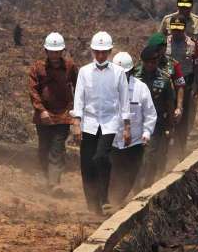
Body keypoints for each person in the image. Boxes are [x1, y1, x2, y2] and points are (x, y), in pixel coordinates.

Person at [71, 31, 131, 215]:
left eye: (104, 52)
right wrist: (76, 122)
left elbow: (124, 100)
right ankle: (92, 204)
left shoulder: (119, 73)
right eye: (97, 51)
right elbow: (79, 99)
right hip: (89, 122)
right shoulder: (84, 72)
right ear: (92, 51)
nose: (100, 55)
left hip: (109, 122)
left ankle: (104, 197)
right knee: (87, 164)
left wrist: (126, 126)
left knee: (101, 157)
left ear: (110, 51)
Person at [28, 32, 78, 195]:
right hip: (43, 115)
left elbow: (79, 87)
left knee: (57, 148)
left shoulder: (70, 66)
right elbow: (33, 90)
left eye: (58, 52)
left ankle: (54, 182)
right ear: (46, 51)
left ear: (63, 51)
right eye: (52, 52)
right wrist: (41, 111)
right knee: (44, 147)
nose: (55, 55)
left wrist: (76, 110)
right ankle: (46, 178)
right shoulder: (37, 67)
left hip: (63, 114)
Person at [109, 52, 156, 205]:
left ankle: (116, 202)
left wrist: (147, 132)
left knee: (129, 174)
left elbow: (150, 114)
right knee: (111, 173)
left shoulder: (141, 89)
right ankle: (107, 201)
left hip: (134, 142)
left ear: (131, 72)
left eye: (125, 73)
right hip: (111, 140)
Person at [134, 45, 175, 187]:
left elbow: (170, 103)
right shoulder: (134, 76)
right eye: (148, 62)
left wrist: (170, 125)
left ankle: (147, 185)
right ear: (142, 62)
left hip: (155, 124)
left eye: (154, 62)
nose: (151, 65)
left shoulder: (164, 79)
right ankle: (135, 185)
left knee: (150, 156)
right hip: (135, 123)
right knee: (136, 157)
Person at [165, 15, 198, 157]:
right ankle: (165, 150)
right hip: (167, 85)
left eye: (179, 29)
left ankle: (180, 151)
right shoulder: (164, 43)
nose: (176, 32)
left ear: (184, 28)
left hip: (185, 86)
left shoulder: (192, 45)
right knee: (166, 116)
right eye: (174, 29)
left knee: (183, 118)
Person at [158, 0, 198, 78]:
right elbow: (159, 41)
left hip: (191, 68)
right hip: (169, 67)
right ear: (177, 5)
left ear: (192, 6)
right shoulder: (167, 20)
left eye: (187, 7)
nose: (184, 9)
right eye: (182, 6)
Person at [146, 32, 186, 123]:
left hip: (165, 107)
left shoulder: (172, 64)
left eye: (158, 49)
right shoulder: (144, 62)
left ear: (164, 48)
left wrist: (179, 107)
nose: (155, 52)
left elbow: (180, 85)